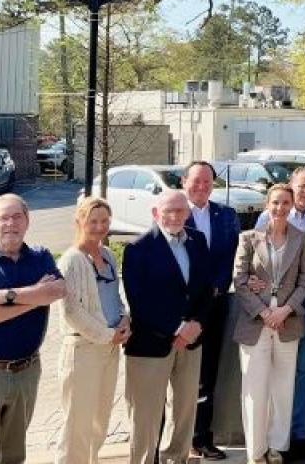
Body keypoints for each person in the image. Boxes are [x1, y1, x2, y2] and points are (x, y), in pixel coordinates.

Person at [0, 194, 67, 464]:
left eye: (17, 216)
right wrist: (35, 297)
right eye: (3, 217)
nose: (11, 223)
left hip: (26, 372)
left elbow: (58, 290)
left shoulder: (41, 257)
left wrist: (6, 296)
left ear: (27, 221)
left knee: (13, 456)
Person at [122, 190, 212, 464]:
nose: (174, 216)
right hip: (151, 343)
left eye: (180, 211)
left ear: (188, 213)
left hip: (191, 341)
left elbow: (206, 289)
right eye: (168, 211)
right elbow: (139, 300)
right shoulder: (137, 248)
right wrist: (177, 328)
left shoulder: (197, 240)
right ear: (155, 213)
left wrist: (196, 323)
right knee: (145, 416)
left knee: (185, 411)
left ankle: (177, 458)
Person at [234, 184, 305, 464]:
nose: (280, 208)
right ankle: (256, 452)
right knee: (255, 390)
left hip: (288, 323)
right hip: (255, 323)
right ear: (266, 205)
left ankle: (276, 447)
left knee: (283, 389)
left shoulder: (301, 238)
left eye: (285, 203)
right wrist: (264, 313)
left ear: (292, 205)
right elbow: (240, 281)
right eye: (275, 203)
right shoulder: (248, 238)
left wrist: (284, 311)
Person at [54, 197, 131, 464]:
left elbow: (115, 298)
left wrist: (124, 320)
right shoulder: (71, 261)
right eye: (93, 221)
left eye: (104, 221)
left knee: (100, 418)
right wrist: (107, 335)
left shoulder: (108, 255)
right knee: (77, 422)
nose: (99, 227)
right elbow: (72, 312)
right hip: (82, 350)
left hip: (109, 349)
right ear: (80, 222)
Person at [267, 166, 305, 454]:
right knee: (277, 369)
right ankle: (276, 437)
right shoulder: (272, 216)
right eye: (302, 185)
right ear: (291, 185)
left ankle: (300, 434)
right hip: (277, 306)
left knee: (304, 369)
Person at [182, 161, 242, 460]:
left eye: (207, 182)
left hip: (215, 305)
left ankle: (201, 437)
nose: (202, 186)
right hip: (182, 308)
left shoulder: (226, 216)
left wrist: (217, 286)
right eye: (196, 181)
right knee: (179, 375)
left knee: (207, 374)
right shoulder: (174, 213)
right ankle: (173, 439)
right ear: (184, 182)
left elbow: (232, 256)